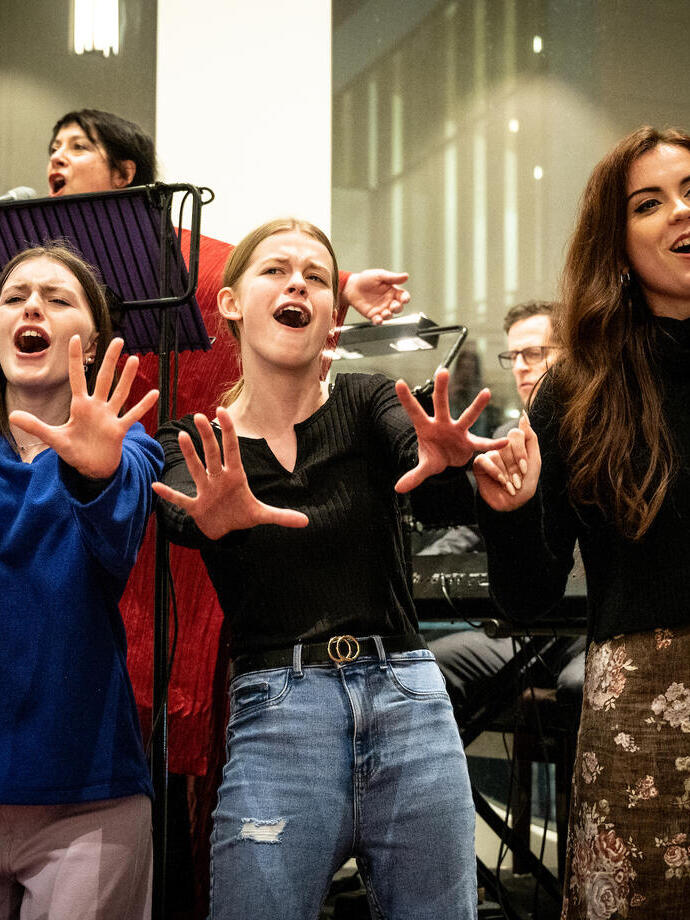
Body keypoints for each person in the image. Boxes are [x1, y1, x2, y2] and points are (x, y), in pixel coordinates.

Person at [152, 216, 511, 920]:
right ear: (230, 302)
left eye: (316, 277)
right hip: (277, 714)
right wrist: (208, 517)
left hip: (407, 700)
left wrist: (442, 462)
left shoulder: (368, 399)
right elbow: (178, 512)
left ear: (332, 317)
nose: (298, 285)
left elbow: (421, 470)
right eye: (276, 270)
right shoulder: (195, 441)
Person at [46, 108, 415, 783]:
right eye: (54, 147)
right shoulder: (38, 260)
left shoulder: (173, 256)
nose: (57, 159)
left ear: (125, 173)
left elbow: (246, 277)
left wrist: (339, 287)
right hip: (80, 481)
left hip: (170, 501)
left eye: (77, 146)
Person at [473, 126, 690, 919]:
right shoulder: (579, 387)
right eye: (649, 203)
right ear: (617, 246)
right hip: (646, 703)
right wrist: (509, 512)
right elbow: (528, 598)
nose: (680, 212)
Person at [0, 243, 162, 918]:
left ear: (91, 344)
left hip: (90, 796)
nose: (32, 307)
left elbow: (118, 535)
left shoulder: (130, 447)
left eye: (57, 298)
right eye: (14, 297)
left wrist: (96, 471)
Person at [430, 301, 586, 726]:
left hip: (587, 629)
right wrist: (429, 565)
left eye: (533, 353)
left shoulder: (597, 431)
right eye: (513, 355)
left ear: (571, 354)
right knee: (432, 666)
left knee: (579, 685)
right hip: (523, 628)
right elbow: (473, 529)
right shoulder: (503, 438)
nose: (520, 367)